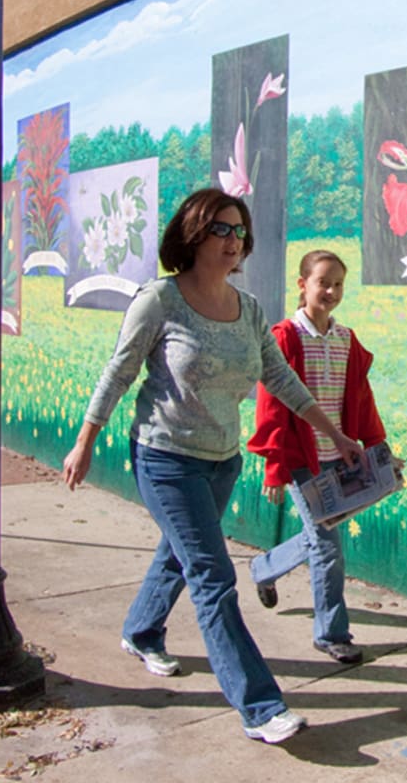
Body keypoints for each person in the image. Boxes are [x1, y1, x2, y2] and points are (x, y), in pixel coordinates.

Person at [61, 188, 361, 746]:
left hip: (221, 462)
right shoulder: (160, 301)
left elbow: (282, 381)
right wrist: (85, 440)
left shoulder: (248, 309)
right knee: (213, 576)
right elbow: (119, 372)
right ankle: (260, 706)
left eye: (240, 231)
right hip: (164, 457)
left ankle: (140, 630)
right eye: (222, 229)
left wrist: (336, 434)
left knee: (180, 554)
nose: (234, 241)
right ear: (194, 234)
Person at [246, 249, 389, 664]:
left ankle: (264, 568)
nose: (330, 291)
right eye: (323, 282)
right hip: (300, 460)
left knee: (320, 538)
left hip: (338, 460)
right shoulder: (286, 337)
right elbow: (271, 406)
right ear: (302, 284)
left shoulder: (345, 340)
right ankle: (331, 633)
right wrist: (274, 467)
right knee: (328, 547)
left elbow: (362, 400)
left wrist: (377, 450)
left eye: (338, 284)